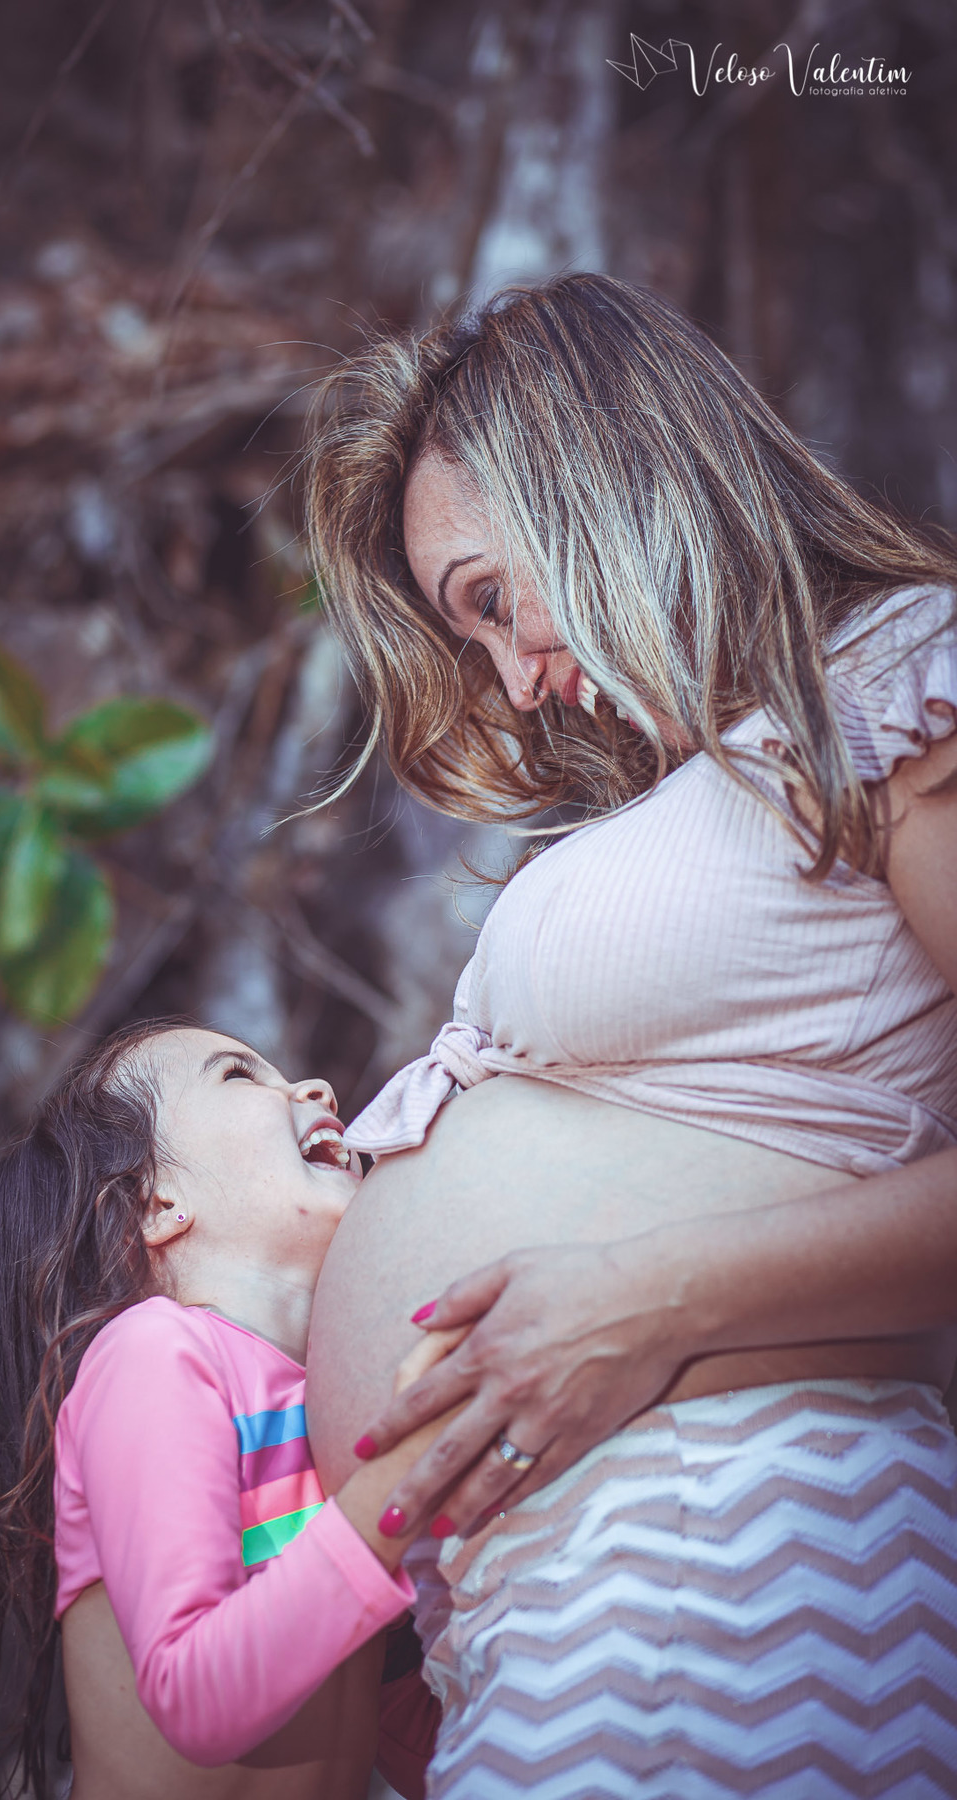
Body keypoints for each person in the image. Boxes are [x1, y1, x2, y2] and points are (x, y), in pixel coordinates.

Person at [300, 273, 957, 1795]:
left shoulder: (895, 679)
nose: (517, 683)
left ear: (590, 474)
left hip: (737, 1550)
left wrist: (643, 1301)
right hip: (577, 1599)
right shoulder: (734, 765)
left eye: (490, 601)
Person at [0, 1020, 445, 1800]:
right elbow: (195, 1693)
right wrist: (395, 1490)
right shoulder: (153, 1355)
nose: (315, 1089)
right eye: (239, 1076)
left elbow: (404, 1731)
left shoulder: (330, 1396)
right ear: (154, 1204)